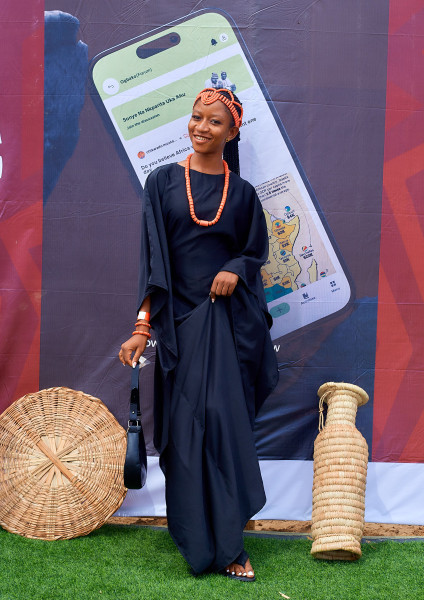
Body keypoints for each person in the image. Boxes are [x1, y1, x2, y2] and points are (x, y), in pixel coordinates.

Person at [119, 88, 278, 581]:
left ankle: (231, 545)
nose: (200, 127)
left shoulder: (245, 194)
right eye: (195, 118)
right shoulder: (162, 182)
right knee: (186, 436)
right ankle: (194, 536)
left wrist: (233, 267)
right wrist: (143, 327)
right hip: (179, 331)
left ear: (232, 132)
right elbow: (154, 264)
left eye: (213, 122)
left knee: (223, 430)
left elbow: (254, 253)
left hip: (227, 328)